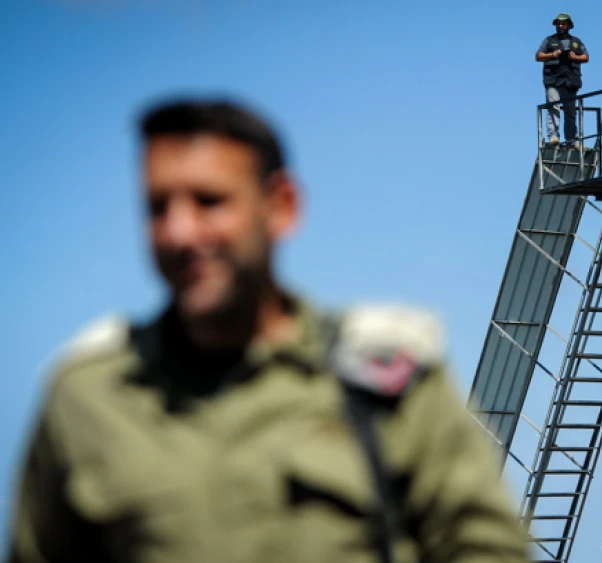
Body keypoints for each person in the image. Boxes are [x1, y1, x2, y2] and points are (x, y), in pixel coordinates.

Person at [3, 98, 530, 563]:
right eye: (158, 207)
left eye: (209, 201)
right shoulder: (87, 398)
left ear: (281, 207)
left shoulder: (388, 379)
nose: (179, 232)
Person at [535, 13, 589, 147]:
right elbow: (538, 56)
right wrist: (553, 54)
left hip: (570, 81)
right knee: (554, 108)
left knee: (570, 112)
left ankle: (572, 140)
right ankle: (554, 137)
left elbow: (586, 57)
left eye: (563, 23)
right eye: (559, 23)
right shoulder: (548, 40)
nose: (561, 26)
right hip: (553, 80)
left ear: (569, 25)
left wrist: (574, 57)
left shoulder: (576, 42)